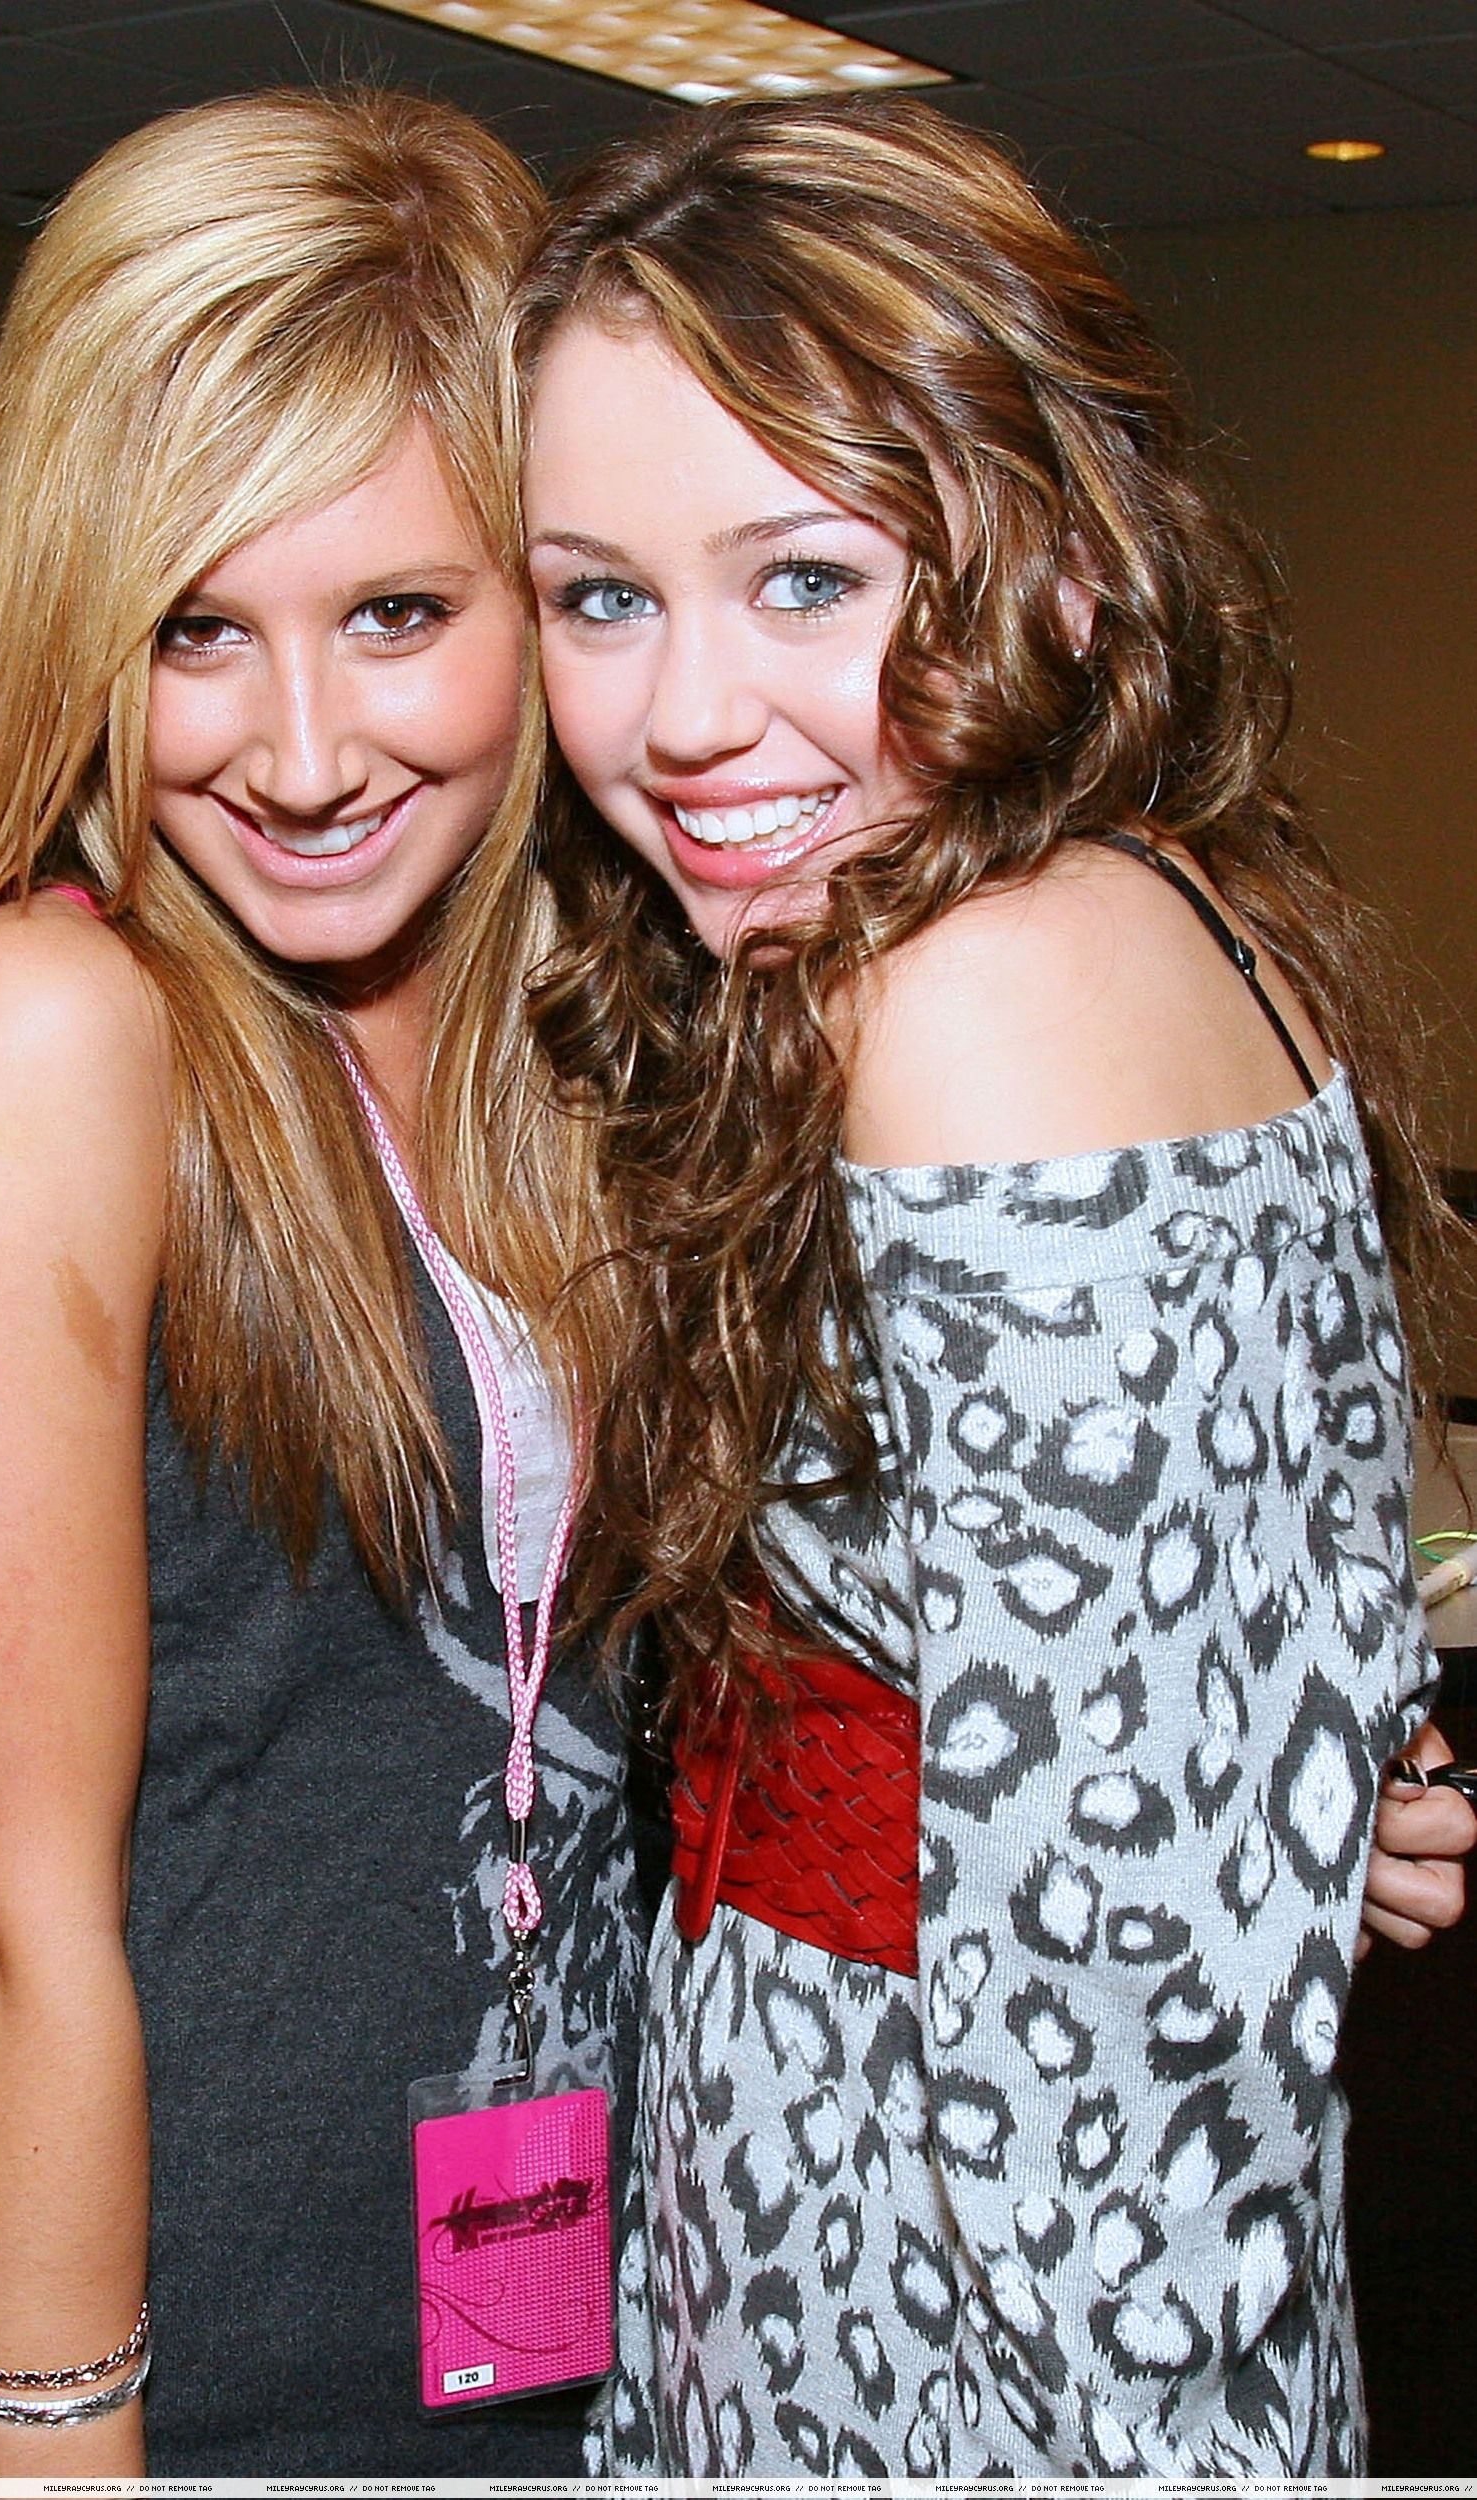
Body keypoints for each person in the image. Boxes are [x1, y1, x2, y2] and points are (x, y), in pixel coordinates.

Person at [498, 93, 1476, 2476]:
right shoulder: (1122, 903)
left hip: (947, 2297)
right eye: (600, 595)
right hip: (832, 2181)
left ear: (1064, 567)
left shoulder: (977, 996)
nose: (684, 711)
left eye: (805, 579)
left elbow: (1107, 2048)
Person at [0, 90, 642, 2478]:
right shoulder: (56, 1029)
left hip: (570, 2339)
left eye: (397, 614)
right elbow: (23, 1919)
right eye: (193, 627)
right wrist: (63, 2446)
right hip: (140, 2386)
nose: (301, 752)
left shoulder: (602, 1034)